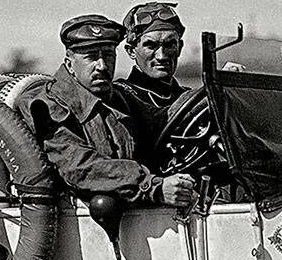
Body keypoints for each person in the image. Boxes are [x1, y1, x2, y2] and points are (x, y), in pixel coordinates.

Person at [13, 14, 194, 209]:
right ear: (69, 64)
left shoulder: (118, 97)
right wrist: (153, 187)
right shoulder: (47, 106)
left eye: (108, 56)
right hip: (73, 221)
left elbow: (164, 120)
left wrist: (214, 98)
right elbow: (80, 167)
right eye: (91, 57)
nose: (102, 66)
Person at [117, 1, 187, 111]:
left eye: (169, 45)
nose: (162, 56)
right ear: (131, 51)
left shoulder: (190, 98)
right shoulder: (119, 99)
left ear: (180, 48)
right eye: (151, 46)